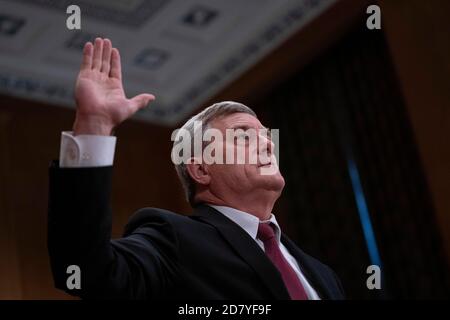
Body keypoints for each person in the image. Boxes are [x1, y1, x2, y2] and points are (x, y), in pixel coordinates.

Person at [48, 37, 345, 300]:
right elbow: (86, 272)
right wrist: (94, 126)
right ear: (201, 170)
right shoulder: (174, 239)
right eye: (243, 136)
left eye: (267, 136)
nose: (268, 144)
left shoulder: (325, 275)